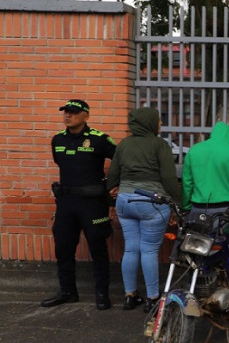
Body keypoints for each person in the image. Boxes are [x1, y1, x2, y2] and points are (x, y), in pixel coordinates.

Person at [43, 99, 117, 310]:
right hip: (66, 203)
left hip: (92, 203)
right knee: (63, 248)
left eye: (73, 112)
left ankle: (102, 293)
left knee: (98, 248)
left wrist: (113, 190)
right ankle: (67, 291)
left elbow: (119, 162)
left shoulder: (100, 139)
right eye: (65, 112)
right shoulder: (57, 139)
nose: (68, 115)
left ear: (86, 115)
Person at [106, 107, 182, 312]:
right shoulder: (160, 145)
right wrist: (178, 203)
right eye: (158, 121)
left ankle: (129, 296)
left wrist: (112, 196)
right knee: (149, 250)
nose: (161, 124)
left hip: (125, 202)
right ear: (149, 122)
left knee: (131, 248)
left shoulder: (123, 145)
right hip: (151, 202)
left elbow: (113, 175)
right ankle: (152, 298)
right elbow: (168, 178)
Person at [182, 121, 229, 220]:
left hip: (198, 207)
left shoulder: (194, 150)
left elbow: (187, 183)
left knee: (199, 235)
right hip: (227, 208)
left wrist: (186, 206)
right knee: (225, 235)